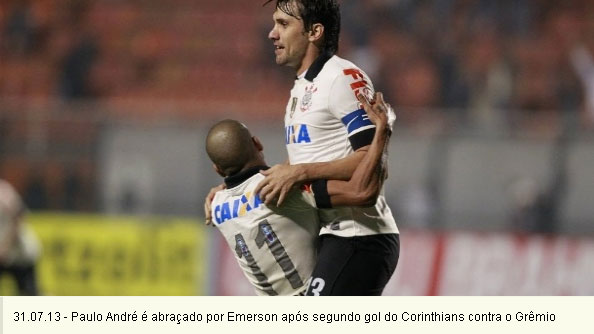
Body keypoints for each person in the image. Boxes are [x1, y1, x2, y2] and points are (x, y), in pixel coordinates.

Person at [254, 0, 400, 295]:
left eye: (283, 24)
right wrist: (233, 185)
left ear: (314, 31)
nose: (272, 34)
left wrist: (300, 173)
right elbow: (294, 167)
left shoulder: (343, 78)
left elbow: (369, 158)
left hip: (361, 237)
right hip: (331, 235)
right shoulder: (301, 87)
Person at [205, 92, 393, 296]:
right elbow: (361, 191)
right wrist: (382, 130)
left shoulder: (215, 206)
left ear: (217, 169)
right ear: (257, 143)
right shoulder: (283, 189)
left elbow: (243, 190)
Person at [0, 179, 41, 296]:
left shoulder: (3, 191)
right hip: (4, 256)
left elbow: (19, 217)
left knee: (28, 295)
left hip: (21, 255)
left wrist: (5, 247)